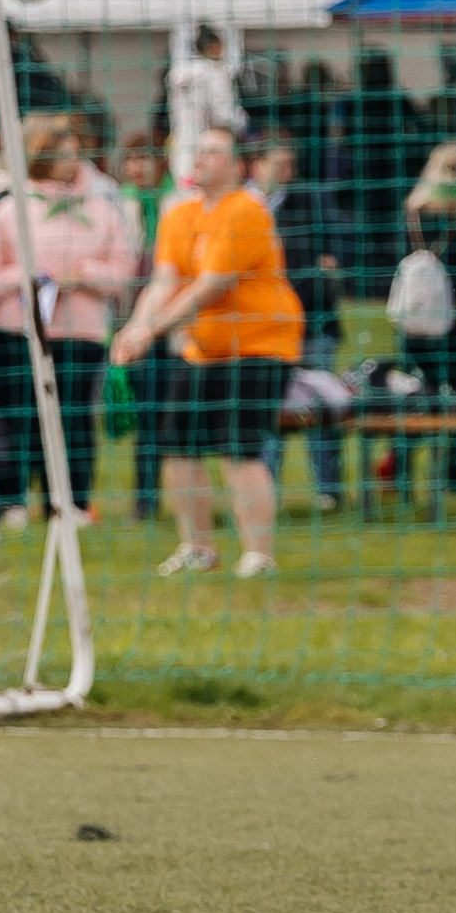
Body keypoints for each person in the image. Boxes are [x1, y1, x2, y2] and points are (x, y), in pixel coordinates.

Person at [111, 124, 302, 578]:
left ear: (239, 167)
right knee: (177, 445)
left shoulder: (246, 211)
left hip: (259, 345)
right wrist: (135, 327)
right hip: (202, 349)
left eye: (214, 152)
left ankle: (258, 554)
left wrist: (151, 332)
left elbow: (210, 287)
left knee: (241, 449)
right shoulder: (179, 215)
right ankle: (197, 547)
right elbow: (165, 281)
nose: (201, 158)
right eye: (199, 151)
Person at [0, 118, 135, 527]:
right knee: (18, 416)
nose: (71, 161)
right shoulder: (9, 209)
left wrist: (82, 273)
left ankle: (69, 503)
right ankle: (11, 501)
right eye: (61, 153)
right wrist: (32, 276)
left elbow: (121, 272)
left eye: (74, 153)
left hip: (80, 335)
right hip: (18, 332)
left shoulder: (102, 210)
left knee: (74, 418)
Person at [390, 142, 456, 499]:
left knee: (415, 397)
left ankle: (403, 472)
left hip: (417, 327)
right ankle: (453, 478)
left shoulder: (411, 215)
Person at [250, 137, 350, 512]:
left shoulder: (312, 199)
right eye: (280, 163)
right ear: (256, 164)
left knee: (321, 407)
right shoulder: (244, 207)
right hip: (261, 332)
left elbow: (337, 249)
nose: (288, 171)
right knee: (266, 410)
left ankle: (328, 490)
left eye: (292, 163)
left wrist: (328, 266)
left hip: (314, 326)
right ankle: (265, 490)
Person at [115, 135, 175, 520]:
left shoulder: (179, 202)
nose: (135, 168)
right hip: (135, 324)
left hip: (176, 325)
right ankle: (146, 499)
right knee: (148, 415)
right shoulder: (122, 205)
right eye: (130, 159)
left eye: (143, 159)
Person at [162, 25, 245, 197]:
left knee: (184, 191)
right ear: (213, 46)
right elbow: (225, 115)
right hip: (210, 143)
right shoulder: (216, 73)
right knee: (209, 195)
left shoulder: (179, 73)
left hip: (181, 141)